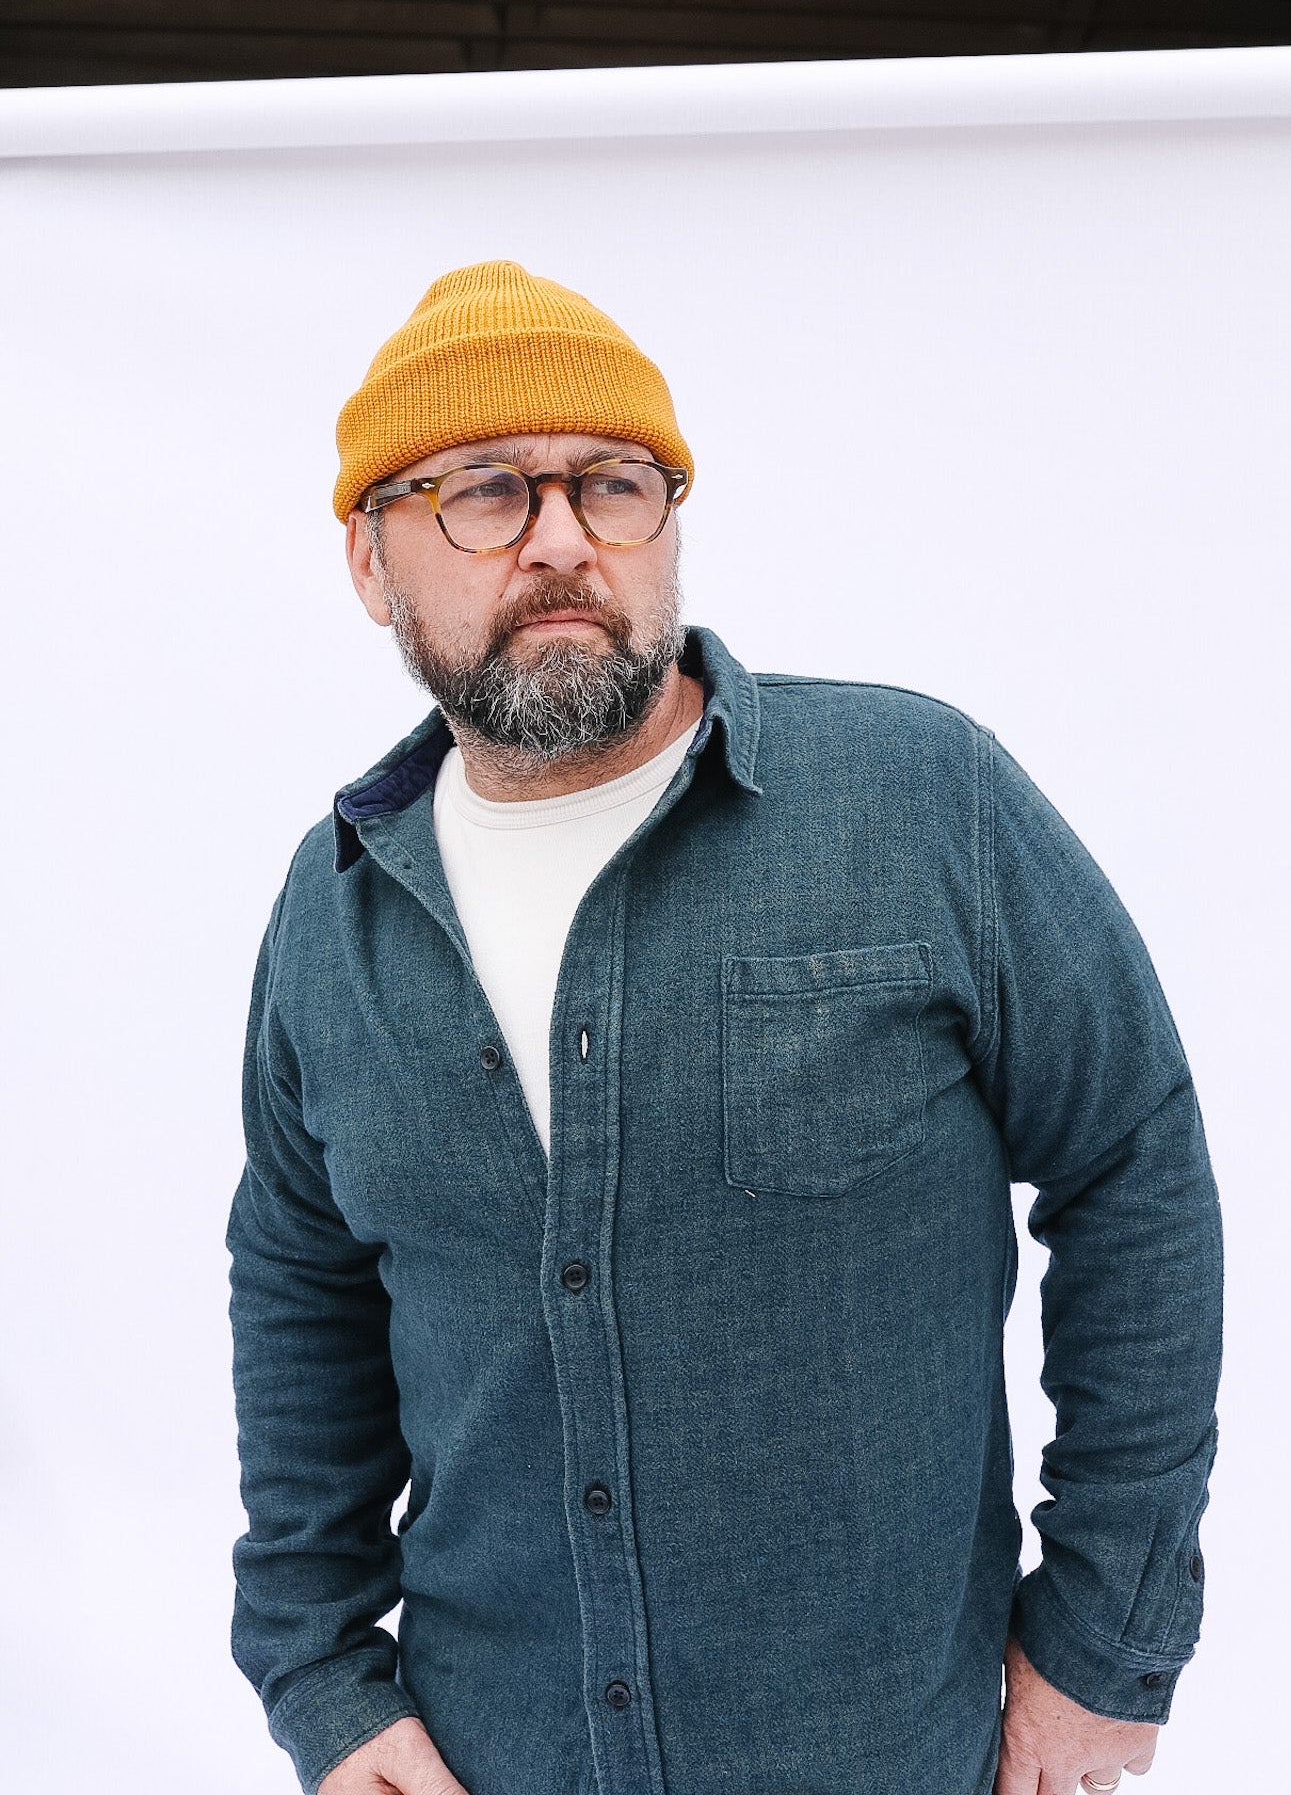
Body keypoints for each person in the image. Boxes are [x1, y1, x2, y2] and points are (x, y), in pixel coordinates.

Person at [227, 261, 1223, 1795]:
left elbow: (1132, 1167)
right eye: (482, 494)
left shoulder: (919, 798)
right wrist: (319, 1674)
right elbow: (299, 1288)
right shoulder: (336, 902)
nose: (561, 539)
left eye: (613, 485)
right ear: (370, 563)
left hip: (893, 1747)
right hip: (492, 1756)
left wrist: (1105, 1637)